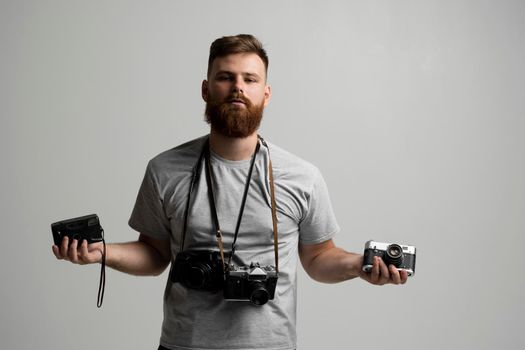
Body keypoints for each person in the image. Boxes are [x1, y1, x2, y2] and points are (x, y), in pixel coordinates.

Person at [52, 34, 408, 350]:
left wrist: (361, 266)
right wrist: (102, 253)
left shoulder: (302, 176)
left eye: (250, 79)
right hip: (184, 343)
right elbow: (155, 255)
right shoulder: (165, 169)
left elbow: (318, 259)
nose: (238, 87)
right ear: (206, 89)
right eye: (226, 77)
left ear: (265, 94)